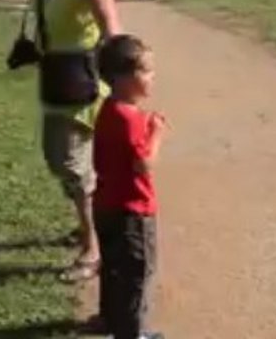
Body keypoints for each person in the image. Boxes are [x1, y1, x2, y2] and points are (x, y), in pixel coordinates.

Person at [20, 0, 121, 285]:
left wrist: (122, 82)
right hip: (56, 74)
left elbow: (111, 26)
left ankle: (93, 248)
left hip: (84, 79)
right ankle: (92, 225)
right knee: (59, 158)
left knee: (72, 163)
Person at [93, 34, 167, 339]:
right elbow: (144, 164)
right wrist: (157, 132)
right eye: (146, 71)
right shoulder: (131, 119)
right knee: (138, 273)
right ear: (123, 78)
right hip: (133, 211)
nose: (153, 76)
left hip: (105, 205)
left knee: (113, 268)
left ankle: (109, 320)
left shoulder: (109, 108)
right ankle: (134, 333)